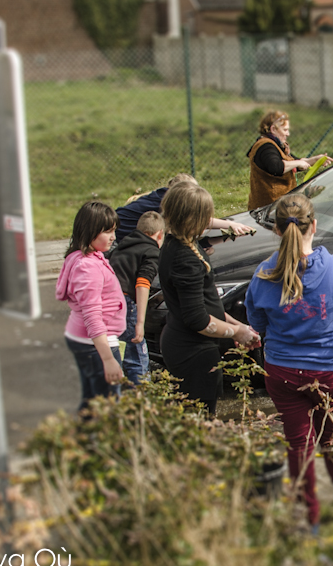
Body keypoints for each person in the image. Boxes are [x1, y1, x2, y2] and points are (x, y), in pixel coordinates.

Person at [244, 194, 333, 531]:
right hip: (327, 372)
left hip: (281, 371)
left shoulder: (263, 275)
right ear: (314, 225)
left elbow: (259, 324)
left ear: (277, 231)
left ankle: (307, 519)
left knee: (298, 446)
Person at [158, 181, 260, 414]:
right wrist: (237, 332)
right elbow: (198, 319)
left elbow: (205, 303)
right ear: (190, 218)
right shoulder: (185, 259)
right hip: (193, 352)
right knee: (200, 416)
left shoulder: (178, 243)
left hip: (188, 343)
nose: (208, 222)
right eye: (205, 217)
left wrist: (237, 324)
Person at [55, 201, 126, 411]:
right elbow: (92, 315)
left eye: (114, 230)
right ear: (90, 231)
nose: (113, 237)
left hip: (87, 340)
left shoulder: (85, 257)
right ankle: (99, 441)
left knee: (91, 400)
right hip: (95, 343)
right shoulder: (88, 267)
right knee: (107, 406)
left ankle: (85, 437)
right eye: (107, 231)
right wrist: (108, 359)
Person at [107, 210, 164, 385]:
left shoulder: (123, 245)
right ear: (159, 235)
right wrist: (140, 321)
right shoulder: (151, 251)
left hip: (108, 300)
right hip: (126, 301)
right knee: (137, 350)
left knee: (117, 346)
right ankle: (141, 393)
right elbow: (142, 283)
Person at [116, 173, 251, 242]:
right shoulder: (165, 204)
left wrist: (229, 224)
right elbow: (200, 219)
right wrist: (229, 225)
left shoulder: (166, 196)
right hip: (116, 235)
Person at [247, 110, 333, 211]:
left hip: (281, 205)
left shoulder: (276, 145)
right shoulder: (265, 147)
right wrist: (298, 163)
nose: (288, 134)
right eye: (285, 130)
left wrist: (314, 160)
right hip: (268, 208)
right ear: (273, 129)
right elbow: (276, 167)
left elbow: (293, 162)